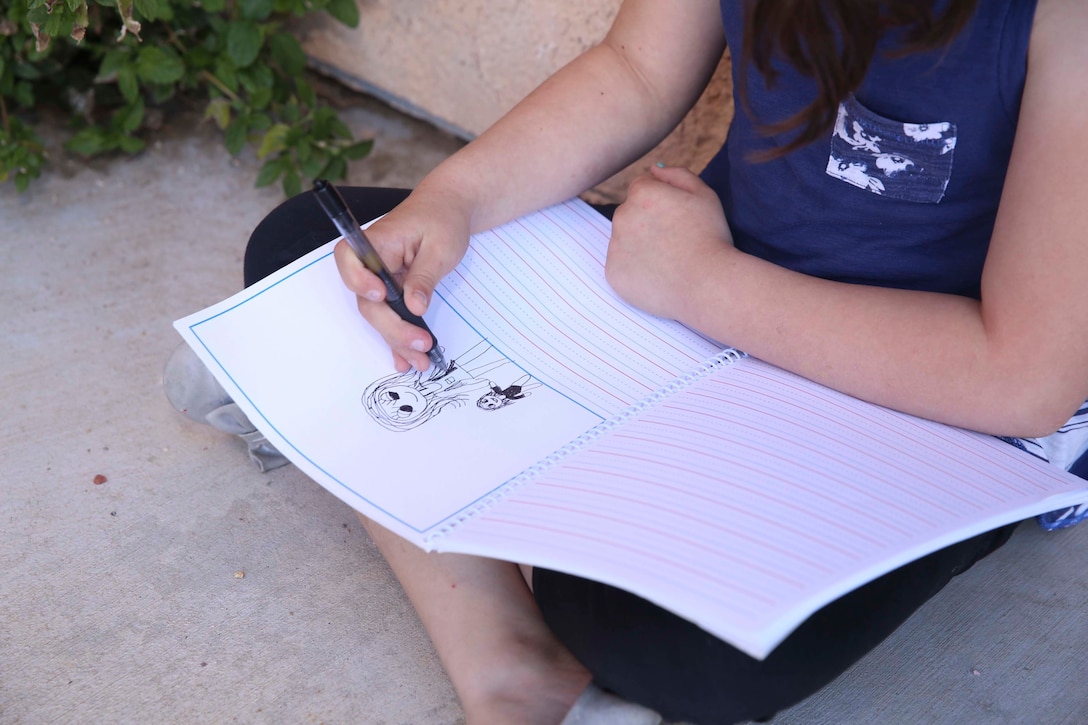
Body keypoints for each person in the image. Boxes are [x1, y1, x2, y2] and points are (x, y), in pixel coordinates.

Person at [174, 0, 1088, 722]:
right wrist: (453, 200)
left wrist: (702, 284)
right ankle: (510, 666)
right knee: (308, 257)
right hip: (690, 302)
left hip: (926, 401)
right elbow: (636, 69)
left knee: (677, 645)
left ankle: (360, 443)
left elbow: (1024, 377)